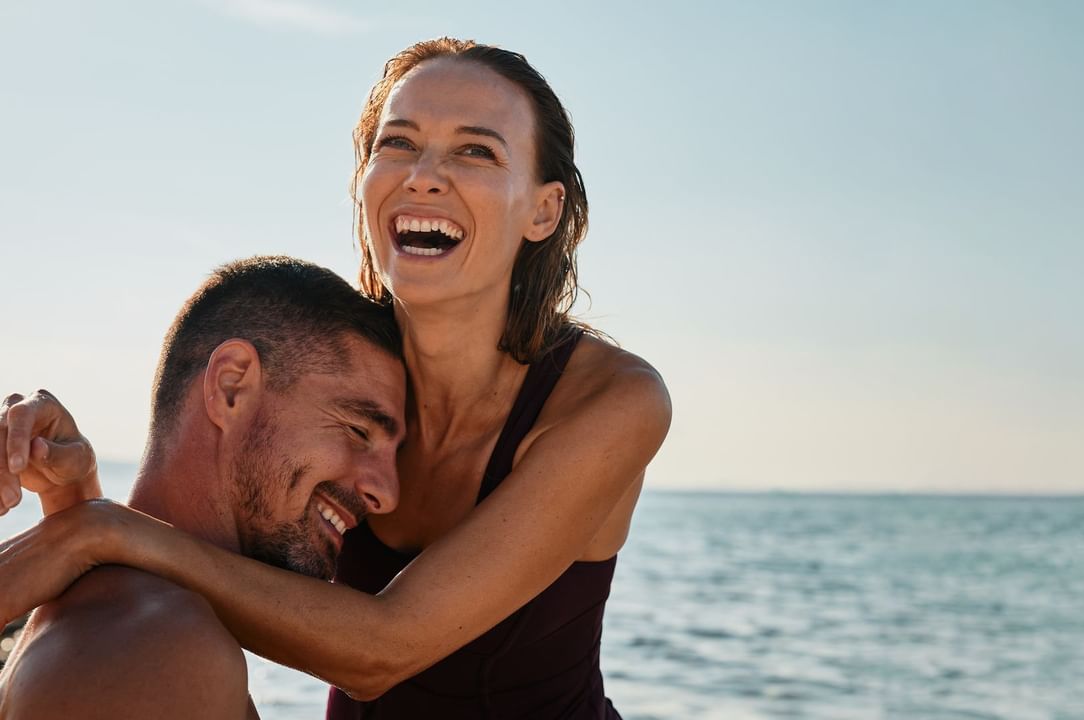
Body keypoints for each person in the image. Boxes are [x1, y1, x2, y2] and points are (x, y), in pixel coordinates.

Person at [0, 37, 671, 719]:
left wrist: (103, 531)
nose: (424, 175)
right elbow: (211, 516)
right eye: (398, 143)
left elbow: (381, 651)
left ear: (544, 210)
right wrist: (73, 497)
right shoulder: (347, 378)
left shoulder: (609, 402)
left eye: (476, 151)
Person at [0, 256, 407, 719]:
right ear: (232, 386)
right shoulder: (160, 649)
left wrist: (77, 506)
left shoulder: (122, 618)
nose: (387, 493)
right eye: (357, 430)